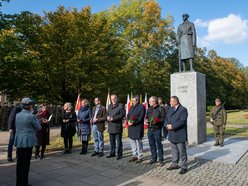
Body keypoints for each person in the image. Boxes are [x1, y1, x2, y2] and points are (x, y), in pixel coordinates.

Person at [15, 97, 41, 186]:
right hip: (27, 141)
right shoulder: (31, 116)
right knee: (26, 163)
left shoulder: (17, 115)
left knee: (19, 162)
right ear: (29, 106)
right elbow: (38, 127)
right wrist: (36, 118)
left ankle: (18, 183)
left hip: (19, 140)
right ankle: (24, 183)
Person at [165, 96, 188, 174]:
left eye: (171, 101)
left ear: (176, 101)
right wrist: (167, 125)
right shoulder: (170, 108)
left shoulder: (183, 109)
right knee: (174, 151)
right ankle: (174, 164)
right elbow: (166, 118)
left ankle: (184, 166)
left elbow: (182, 121)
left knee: (182, 152)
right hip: (171, 133)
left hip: (179, 134)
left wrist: (173, 126)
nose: (170, 102)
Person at [146, 96, 165, 167]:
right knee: (152, 145)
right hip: (150, 129)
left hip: (157, 130)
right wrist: (146, 120)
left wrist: (156, 121)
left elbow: (163, 119)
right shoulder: (149, 109)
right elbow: (147, 117)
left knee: (159, 145)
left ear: (154, 102)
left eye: (150, 101)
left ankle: (161, 160)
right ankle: (154, 158)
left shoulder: (161, 109)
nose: (149, 102)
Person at [127, 95, 145, 163]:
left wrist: (133, 122)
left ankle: (140, 156)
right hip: (131, 127)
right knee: (132, 141)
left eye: (133, 101)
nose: (132, 102)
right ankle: (134, 155)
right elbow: (128, 115)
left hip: (138, 127)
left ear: (137, 101)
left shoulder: (141, 107)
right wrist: (128, 121)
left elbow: (141, 118)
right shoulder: (131, 106)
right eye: (132, 101)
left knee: (138, 142)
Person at [106, 94, 125, 160]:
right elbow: (107, 113)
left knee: (119, 142)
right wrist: (107, 117)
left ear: (117, 98)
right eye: (112, 99)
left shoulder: (120, 105)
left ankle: (119, 154)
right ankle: (112, 153)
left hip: (117, 126)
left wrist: (113, 118)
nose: (113, 100)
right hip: (111, 126)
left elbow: (122, 115)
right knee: (112, 141)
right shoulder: (109, 106)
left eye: (114, 98)